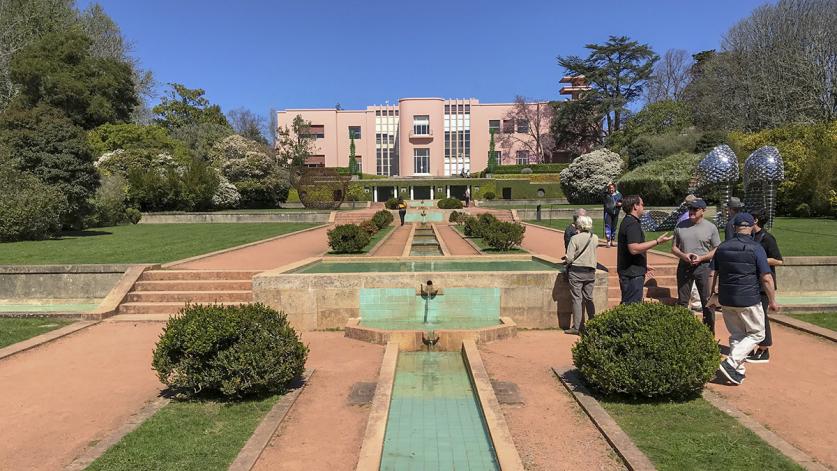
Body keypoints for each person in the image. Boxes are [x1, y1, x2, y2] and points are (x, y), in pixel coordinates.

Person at [710, 213, 779, 386]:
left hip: (726, 298)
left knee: (737, 334)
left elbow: (712, 273)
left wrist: (711, 295)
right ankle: (731, 362)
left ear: (734, 227)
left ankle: (736, 371)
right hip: (748, 298)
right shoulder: (756, 248)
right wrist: (772, 301)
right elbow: (766, 278)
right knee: (757, 333)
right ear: (750, 227)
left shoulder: (722, 248)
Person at [672, 198, 721, 334]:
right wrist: (684, 256)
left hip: (704, 267)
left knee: (707, 302)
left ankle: (708, 335)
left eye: (695, 209)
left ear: (703, 211)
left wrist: (702, 258)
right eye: (690, 209)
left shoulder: (711, 227)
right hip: (684, 266)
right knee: (682, 302)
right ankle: (682, 333)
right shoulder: (680, 226)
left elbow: (717, 248)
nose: (691, 212)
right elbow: (674, 248)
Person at [617, 195, 673, 304]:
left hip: (631, 271)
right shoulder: (632, 223)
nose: (644, 207)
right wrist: (657, 241)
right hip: (632, 275)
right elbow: (633, 248)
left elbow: (629, 250)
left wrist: (642, 263)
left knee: (629, 305)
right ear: (635, 206)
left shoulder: (629, 221)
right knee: (631, 307)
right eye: (642, 204)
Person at [747, 210, 784, 363]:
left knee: (761, 317)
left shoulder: (767, 238)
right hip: (751, 282)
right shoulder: (749, 237)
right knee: (751, 316)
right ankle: (753, 346)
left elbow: (779, 260)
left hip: (763, 284)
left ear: (755, 220)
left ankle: (764, 349)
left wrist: (760, 259)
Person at [565, 215, 598, 335]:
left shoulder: (575, 238)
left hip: (577, 272)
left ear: (579, 225)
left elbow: (569, 257)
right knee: (589, 298)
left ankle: (577, 327)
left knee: (577, 299)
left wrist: (568, 260)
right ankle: (593, 322)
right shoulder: (595, 237)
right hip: (590, 272)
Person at [603, 182, 623, 247]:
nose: (611, 189)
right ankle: (608, 241)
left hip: (616, 213)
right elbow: (601, 191)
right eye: (609, 188)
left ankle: (612, 241)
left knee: (614, 228)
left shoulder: (619, 195)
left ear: (614, 188)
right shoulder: (606, 194)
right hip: (608, 213)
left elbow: (623, 202)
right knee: (608, 226)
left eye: (612, 188)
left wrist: (620, 204)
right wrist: (606, 185)